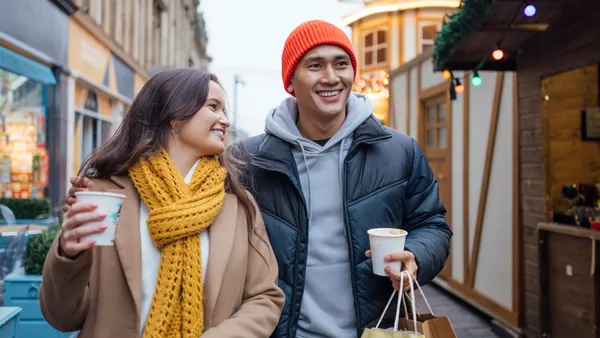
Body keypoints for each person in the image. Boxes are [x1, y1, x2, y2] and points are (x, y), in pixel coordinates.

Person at [65, 21, 452, 338]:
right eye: (315, 65)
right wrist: (89, 209)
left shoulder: (399, 152)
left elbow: (433, 225)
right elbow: (179, 197)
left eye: (341, 63)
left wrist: (415, 256)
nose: (331, 76)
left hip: (375, 330)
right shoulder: (246, 161)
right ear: (290, 81)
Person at [40, 69, 284, 338]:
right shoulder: (105, 195)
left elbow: (265, 297)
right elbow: (62, 317)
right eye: (213, 106)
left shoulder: (237, 205)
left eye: (224, 110)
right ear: (173, 116)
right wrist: (69, 254)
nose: (224, 120)